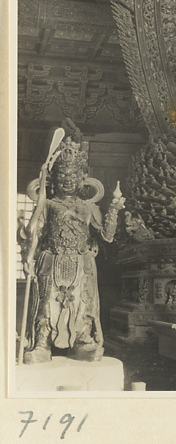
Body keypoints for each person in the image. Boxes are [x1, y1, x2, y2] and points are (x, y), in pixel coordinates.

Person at [23, 134, 125, 364]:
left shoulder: (88, 207)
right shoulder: (47, 204)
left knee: (83, 301)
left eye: (73, 175)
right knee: (47, 300)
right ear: (53, 179)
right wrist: (28, 257)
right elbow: (34, 234)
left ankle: (83, 340)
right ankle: (42, 343)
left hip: (82, 261)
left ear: (82, 178)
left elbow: (107, 236)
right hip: (51, 259)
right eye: (62, 175)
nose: (68, 180)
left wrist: (114, 209)